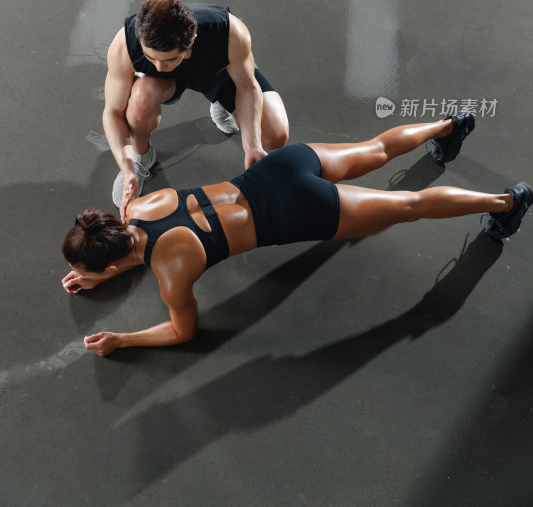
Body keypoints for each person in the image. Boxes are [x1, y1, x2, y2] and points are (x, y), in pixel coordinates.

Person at [62, 113, 533, 357]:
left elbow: (182, 331)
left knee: (407, 206)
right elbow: (126, 242)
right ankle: (451, 127)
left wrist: (123, 340)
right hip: (281, 169)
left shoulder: (171, 271)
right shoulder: (138, 207)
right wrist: (102, 270)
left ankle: (507, 205)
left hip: (298, 211)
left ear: (111, 261)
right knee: (375, 148)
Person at [103, 0, 289, 219]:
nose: (159, 67)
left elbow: (247, 87)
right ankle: (141, 157)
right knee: (141, 98)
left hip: (218, 72)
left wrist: (252, 147)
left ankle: (222, 103)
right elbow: (112, 112)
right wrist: (127, 168)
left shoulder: (231, 33)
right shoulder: (124, 45)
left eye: (168, 60)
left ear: (191, 43)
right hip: (162, 85)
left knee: (276, 135)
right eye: (150, 57)